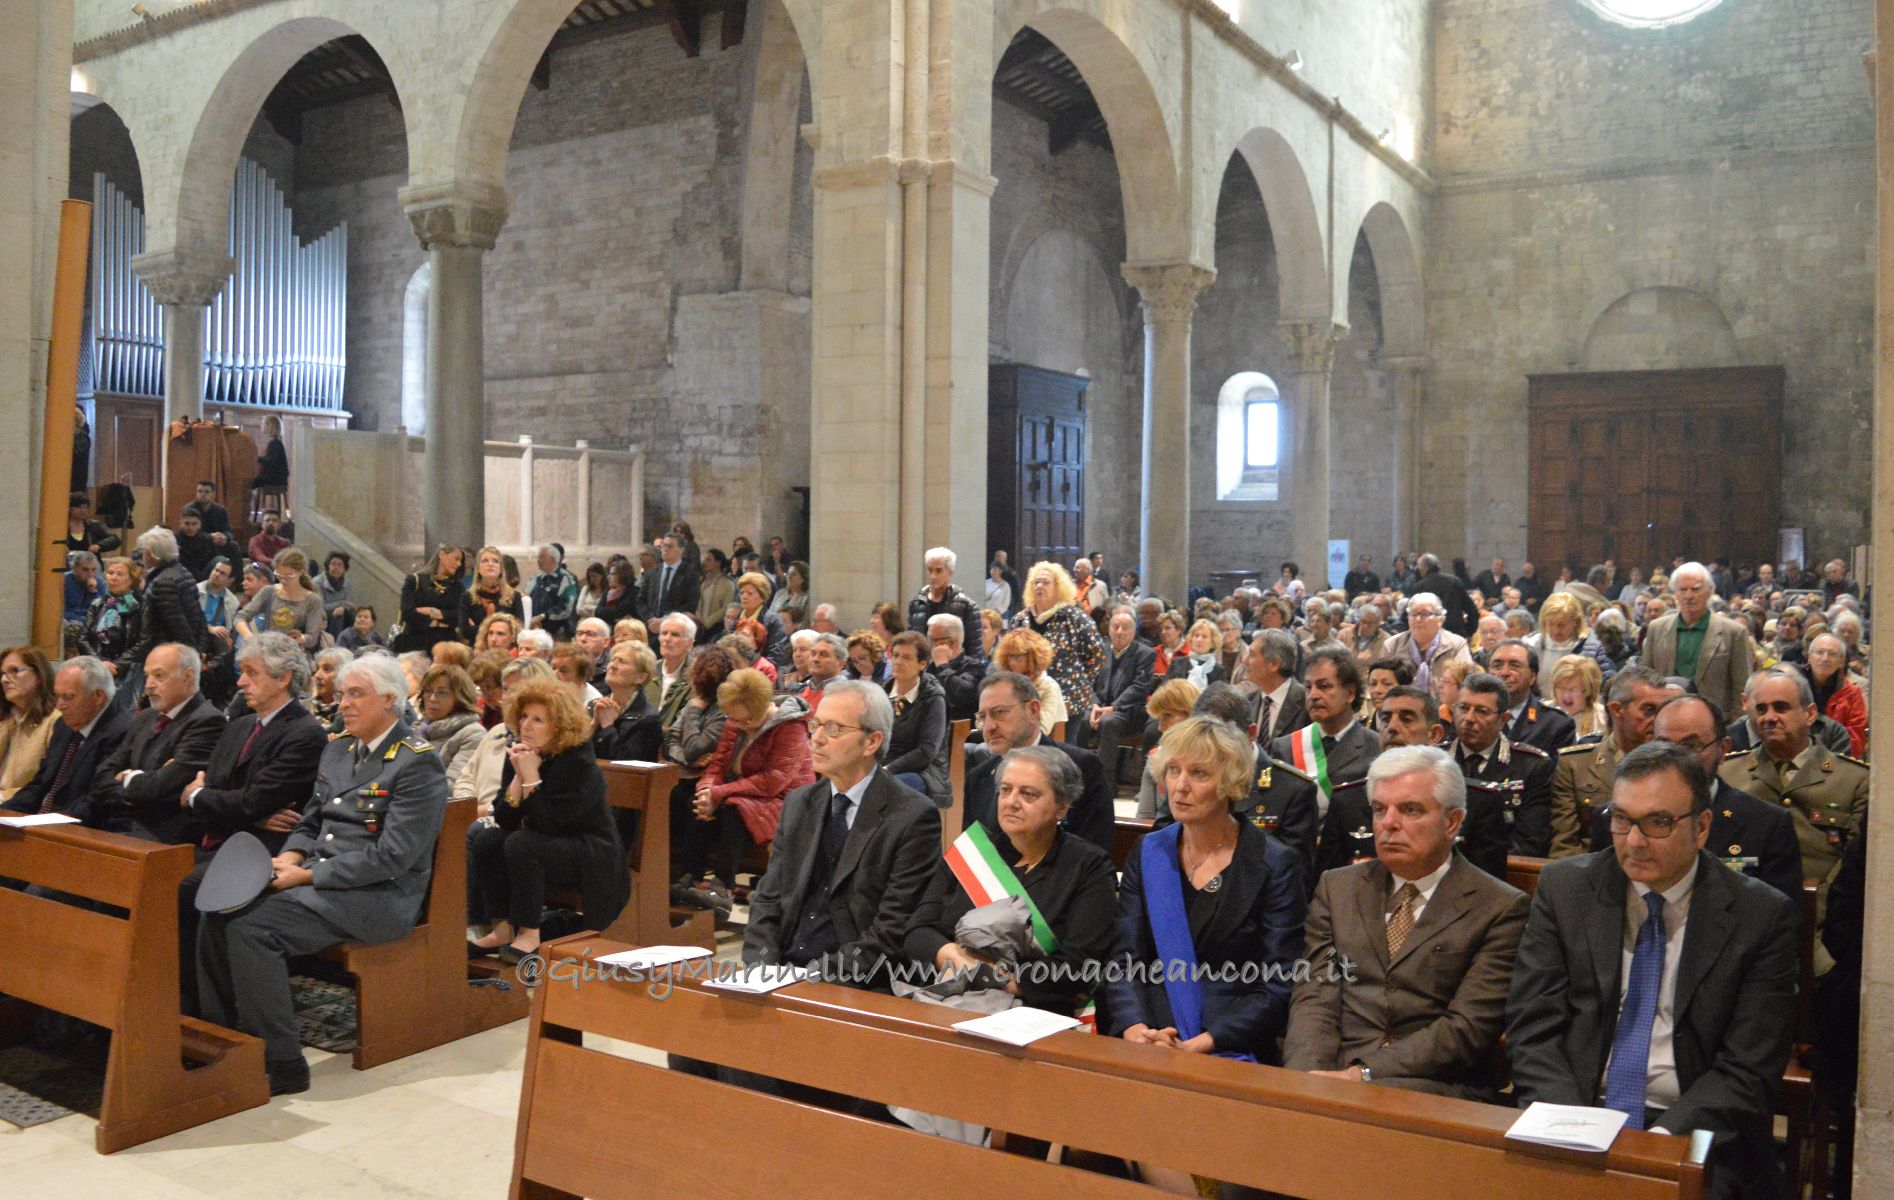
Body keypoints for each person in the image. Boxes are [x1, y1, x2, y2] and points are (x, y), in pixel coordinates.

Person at [1506, 743, 1798, 1200]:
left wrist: (1658, 1145)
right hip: (1575, 1110)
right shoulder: (1566, 889)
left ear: (1702, 827)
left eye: (1658, 822)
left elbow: (1747, 1068)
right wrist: (1572, 1126)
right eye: (1621, 819)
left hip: (1693, 1127)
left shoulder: (1759, 915)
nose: (1634, 841)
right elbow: (1533, 1027)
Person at [1102, 713, 1306, 1176]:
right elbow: (1124, 959)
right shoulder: (1149, 851)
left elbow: (1278, 985)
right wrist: (1134, 1027)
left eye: (1199, 773)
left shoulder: (1274, 864)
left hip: (1225, 1044)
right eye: (1173, 770)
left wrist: (1205, 1042)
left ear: (1230, 783)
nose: (1180, 786)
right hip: (1147, 1038)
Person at [1286, 745, 1528, 1099]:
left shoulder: (1499, 907)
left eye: (1410, 810)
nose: (1388, 823)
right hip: (1332, 1071)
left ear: (1452, 822)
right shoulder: (1337, 888)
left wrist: (1361, 1074)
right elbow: (1314, 998)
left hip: (1434, 1084)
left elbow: (1466, 1030)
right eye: (1379, 809)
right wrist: (1306, 1079)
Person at [742, 680, 941, 987]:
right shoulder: (800, 803)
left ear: (872, 742)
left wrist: (811, 979)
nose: (817, 738)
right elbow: (768, 899)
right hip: (783, 971)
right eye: (816, 725)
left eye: (834, 729)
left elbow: (891, 931)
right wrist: (762, 968)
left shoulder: (912, 816)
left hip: (857, 980)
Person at [906, 745, 1117, 1017]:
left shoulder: (1089, 867)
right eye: (1006, 790)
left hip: (1036, 1013)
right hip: (947, 998)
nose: (1011, 802)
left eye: (1028, 794)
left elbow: (1079, 966)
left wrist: (995, 978)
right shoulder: (971, 852)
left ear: (1062, 807)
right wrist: (951, 955)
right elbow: (917, 930)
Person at [467, 677, 629, 964]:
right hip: (546, 842)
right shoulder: (523, 750)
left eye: (538, 720)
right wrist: (518, 776)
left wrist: (531, 776)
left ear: (559, 726)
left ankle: (530, 933)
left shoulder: (577, 759)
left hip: (589, 850)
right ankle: (503, 927)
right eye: (524, 716)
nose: (526, 725)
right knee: (488, 839)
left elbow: (549, 823)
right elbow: (504, 819)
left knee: (522, 844)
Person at [1580, 695, 1801, 901]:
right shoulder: (1614, 819)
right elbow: (1599, 904)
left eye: (1691, 746)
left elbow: (1776, 918)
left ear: (1722, 750)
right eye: (1664, 746)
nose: (1676, 758)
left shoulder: (1766, 824)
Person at [1718, 667, 1868, 913]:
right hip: (1746, 915)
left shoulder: (1854, 779)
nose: (1769, 717)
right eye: (1761, 709)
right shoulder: (1727, 773)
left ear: (1810, 714)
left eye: (1781, 707)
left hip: (1825, 918)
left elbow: (1855, 867)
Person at [683, 669, 814, 912]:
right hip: (743, 792)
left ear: (762, 709)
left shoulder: (790, 726)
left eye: (744, 721)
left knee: (735, 808)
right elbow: (717, 765)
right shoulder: (736, 721)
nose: (737, 724)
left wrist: (719, 793)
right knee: (694, 801)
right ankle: (691, 876)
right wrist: (707, 791)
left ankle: (723, 886)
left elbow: (773, 781)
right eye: (732, 718)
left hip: (786, 799)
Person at [965, 672, 1114, 853]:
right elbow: (972, 856)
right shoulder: (978, 778)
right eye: (983, 717)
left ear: (1033, 711)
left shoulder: (1082, 767)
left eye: (999, 713)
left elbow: (1093, 852)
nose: (989, 726)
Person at [91, 644, 226, 841]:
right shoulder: (146, 717)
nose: (149, 684)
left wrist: (127, 776)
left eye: (159, 676)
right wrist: (136, 789)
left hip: (164, 835)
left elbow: (159, 788)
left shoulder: (208, 721)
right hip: (121, 823)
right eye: (147, 676)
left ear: (188, 676)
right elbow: (101, 776)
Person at [2, 657, 132, 823]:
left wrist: (47, 822)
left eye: (68, 696)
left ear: (98, 696)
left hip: (81, 827)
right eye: (57, 696)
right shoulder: (63, 725)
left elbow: (98, 798)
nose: (60, 705)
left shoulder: (123, 730)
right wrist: (5, 813)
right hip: (43, 821)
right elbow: (40, 784)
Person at [1447, 671, 1554, 857]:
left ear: (1503, 720)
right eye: (1463, 708)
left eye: (1481, 711)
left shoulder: (1531, 765)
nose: (1469, 718)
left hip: (1503, 867)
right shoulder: (1434, 760)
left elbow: (1528, 841)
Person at [1266, 648, 1379, 813]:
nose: (1313, 695)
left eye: (1323, 686)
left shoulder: (1375, 747)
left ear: (1350, 693)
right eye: (1308, 687)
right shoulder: (1284, 747)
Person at [1637, 561, 1753, 720]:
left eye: (1695, 589)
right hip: (1666, 719)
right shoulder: (1656, 628)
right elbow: (1646, 681)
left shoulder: (1734, 632)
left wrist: (1735, 726)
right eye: (1682, 590)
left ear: (1709, 591)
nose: (1688, 596)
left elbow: (1742, 687)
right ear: (1675, 593)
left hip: (1716, 722)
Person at [455, 657, 558, 814]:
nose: (506, 698)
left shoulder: (542, 744)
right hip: (473, 815)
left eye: (516, 691)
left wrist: (487, 811)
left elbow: (531, 807)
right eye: (505, 689)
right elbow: (466, 777)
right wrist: (468, 808)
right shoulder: (497, 731)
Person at [1011, 561, 1107, 725]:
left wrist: (1079, 680)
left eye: (1045, 582)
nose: (1039, 586)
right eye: (1036, 582)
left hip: (1069, 699)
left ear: (1059, 587)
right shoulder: (1020, 620)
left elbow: (1096, 655)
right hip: (1027, 698)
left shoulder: (1075, 618)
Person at [1082, 607, 1157, 784]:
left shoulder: (1145, 653)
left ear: (1133, 630)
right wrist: (1094, 705)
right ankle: (1081, 776)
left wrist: (1113, 707)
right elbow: (1088, 682)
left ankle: (1105, 783)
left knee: (1109, 722)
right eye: (1115, 627)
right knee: (1081, 720)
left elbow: (1140, 687)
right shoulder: (1100, 650)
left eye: (1125, 627)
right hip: (1098, 707)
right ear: (1109, 629)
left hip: (1127, 710)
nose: (1120, 631)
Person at [880, 631, 949, 806]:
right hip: (882, 765)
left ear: (922, 664)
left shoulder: (933, 698)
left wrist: (889, 769)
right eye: (895, 655)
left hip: (922, 771)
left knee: (884, 789)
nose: (898, 662)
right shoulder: (881, 693)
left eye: (906, 657)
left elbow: (926, 751)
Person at [1484, 638, 1576, 754]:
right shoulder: (1472, 716)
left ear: (1533, 677)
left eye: (1514, 666)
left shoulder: (1556, 723)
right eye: (1497, 666)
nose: (1504, 673)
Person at [1133, 678, 1201, 820]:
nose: (1160, 727)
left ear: (1191, 713)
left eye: (1167, 715)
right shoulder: (1155, 758)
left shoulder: (1213, 762)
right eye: (1158, 718)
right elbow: (1144, 819)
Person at [1381, 592, 1472, 697]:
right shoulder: (1392, 645)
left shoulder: (1456, 645)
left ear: (1440, 619)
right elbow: (1383, 684)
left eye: (1425, 614)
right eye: (1413, 614)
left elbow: (1466, 684)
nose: (1418, 619)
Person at [235, 547, 324, 653]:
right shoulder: (269, 592)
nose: (283, 580)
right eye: (279, 575)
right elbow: (240, 617)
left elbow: (312, 639)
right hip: (268, 653)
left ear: (301, 572)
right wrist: (249, 637)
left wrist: (301, 638)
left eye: (288, 576)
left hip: (294, 655)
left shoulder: (313, 600)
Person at [0, 647, 58, 803]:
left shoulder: (55, 721)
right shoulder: (5, 718)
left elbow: (48, 783)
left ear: (39, 675)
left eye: (14, 671)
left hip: (23, 808)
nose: (4, 680)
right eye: (2, 673)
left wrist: (3, 797)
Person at [414, 664, 485, 784]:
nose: (432, 698)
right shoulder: (414, 730)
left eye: (442, 693)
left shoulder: (473, 734)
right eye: (428, 691)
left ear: (459, 697)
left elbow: (453, 785)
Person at [592, 641, 663, 761]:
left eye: (622, 662)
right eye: (613, 660)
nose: (612, 665)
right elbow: (575, 755)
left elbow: (628, 764)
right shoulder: (594, 705)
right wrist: (594, 725)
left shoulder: (648, 719)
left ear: (641, 677)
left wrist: (607, 727)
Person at [992, 627, 1066, 737]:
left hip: (1033, 744)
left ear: (1033, 656)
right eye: (1009, 657)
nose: (1012, 662)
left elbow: (1041, 728)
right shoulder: (1006, 684)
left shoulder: (1048, 686)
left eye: (1017, 657)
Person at [394, 544, 467, 655]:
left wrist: (432, 611)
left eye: (460, 561)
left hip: (445, 647)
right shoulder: (414, 580)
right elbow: (407, 612)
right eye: (456, 559)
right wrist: (437, 622)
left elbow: (460, 616)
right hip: (414, 644)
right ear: (442, 555)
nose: (459, 564)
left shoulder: (458, 587)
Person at [1803, 632, 1866, 757]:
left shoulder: (1852, 694)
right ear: (1809, 657)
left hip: (1835, 759)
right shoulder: (1793, 686)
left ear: (1842, 661)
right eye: (1819, 652)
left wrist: (1828, 762)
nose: (1825, 658)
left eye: (1832, 654)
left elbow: (1856, 739)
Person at [1241, 628, 1307, 745]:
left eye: (1251, 655)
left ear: (1274, 664)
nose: (1244, 661)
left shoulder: (1306, 701)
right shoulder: (1247, 702)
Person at [922, 613, 984, 723]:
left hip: (960, 730)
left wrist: (942, 666)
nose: (929, 646)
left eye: (933, 640)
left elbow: (963, 695)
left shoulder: (973, 667)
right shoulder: (929, 667)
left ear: (952, 642)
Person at [906, 546, 980, 635]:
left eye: (938, 571)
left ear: (950, 573)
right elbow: (911, 639)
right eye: (930, 570)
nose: (933, 576)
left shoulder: (967, 606)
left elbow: (974, 642)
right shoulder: (917, 603)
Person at [460, 545, 524, 643]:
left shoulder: (514, 596)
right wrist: (503, 629)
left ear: (501, 569)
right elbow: (464, 631)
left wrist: (477, 628)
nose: (490, 564)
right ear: (478, 568)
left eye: (495, 561)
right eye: (485, 561)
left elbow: (518, 629)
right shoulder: (467, 597)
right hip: (477, 648)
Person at [1411, 554, 1480, 637]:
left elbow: (1410, 614)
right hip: (1456, 633)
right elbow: (1472, 610)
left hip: (1431, 636)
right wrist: (1468, 631)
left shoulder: (1420, 587)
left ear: (1423, 568)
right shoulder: (1455, 581)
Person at [638, 533, 700, 621]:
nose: (665, 549)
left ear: (681, 550)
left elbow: (690, 604)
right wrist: (650, 618)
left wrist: (665, 619)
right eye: (664, 546)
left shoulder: (690, 574)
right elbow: (641, 600)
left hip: (675, 623)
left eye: (670, 546)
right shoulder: (652, 573)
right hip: (651, 623)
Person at [1548, 653, 1608, 742]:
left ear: (1588, 690)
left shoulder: (1603, 717)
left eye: (1574, 690)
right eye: (1560, 687)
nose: (1566, 695)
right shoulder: (1543, 712)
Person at [1164, 618, 1227, 689]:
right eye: (1196, 636)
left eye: (1204, 637)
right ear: (1191, 639)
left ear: (1213, 643)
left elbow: (1219, 694)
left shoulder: (1219, 671)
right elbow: (1165, 691)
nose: (1199, 640)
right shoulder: (1177, 664)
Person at [314, 551, 355, 637]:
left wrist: (343, 608)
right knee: (337, 616)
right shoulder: (317, 582)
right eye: (333, 564)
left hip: (340, 616)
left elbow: (350, 604)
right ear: (328, 566)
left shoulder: (347, 584)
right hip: (320, 617)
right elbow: (320, 607)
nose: (336, 567)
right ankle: (336, 643)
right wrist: (343, 603)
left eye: (340, 565)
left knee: (352, 613)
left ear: (344, 569)